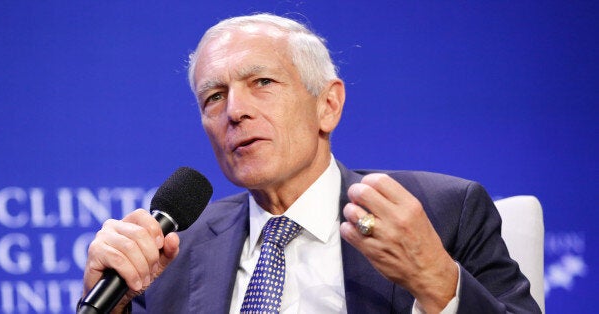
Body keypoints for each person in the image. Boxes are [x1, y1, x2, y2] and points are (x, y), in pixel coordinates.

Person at [81, 13, 540, 313]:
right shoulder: (176, 253)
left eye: (262, 82)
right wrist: (107, 304)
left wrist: (438, 282)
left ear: (328, 105)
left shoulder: (445, 211)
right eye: (214, 97)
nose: (234, 111)